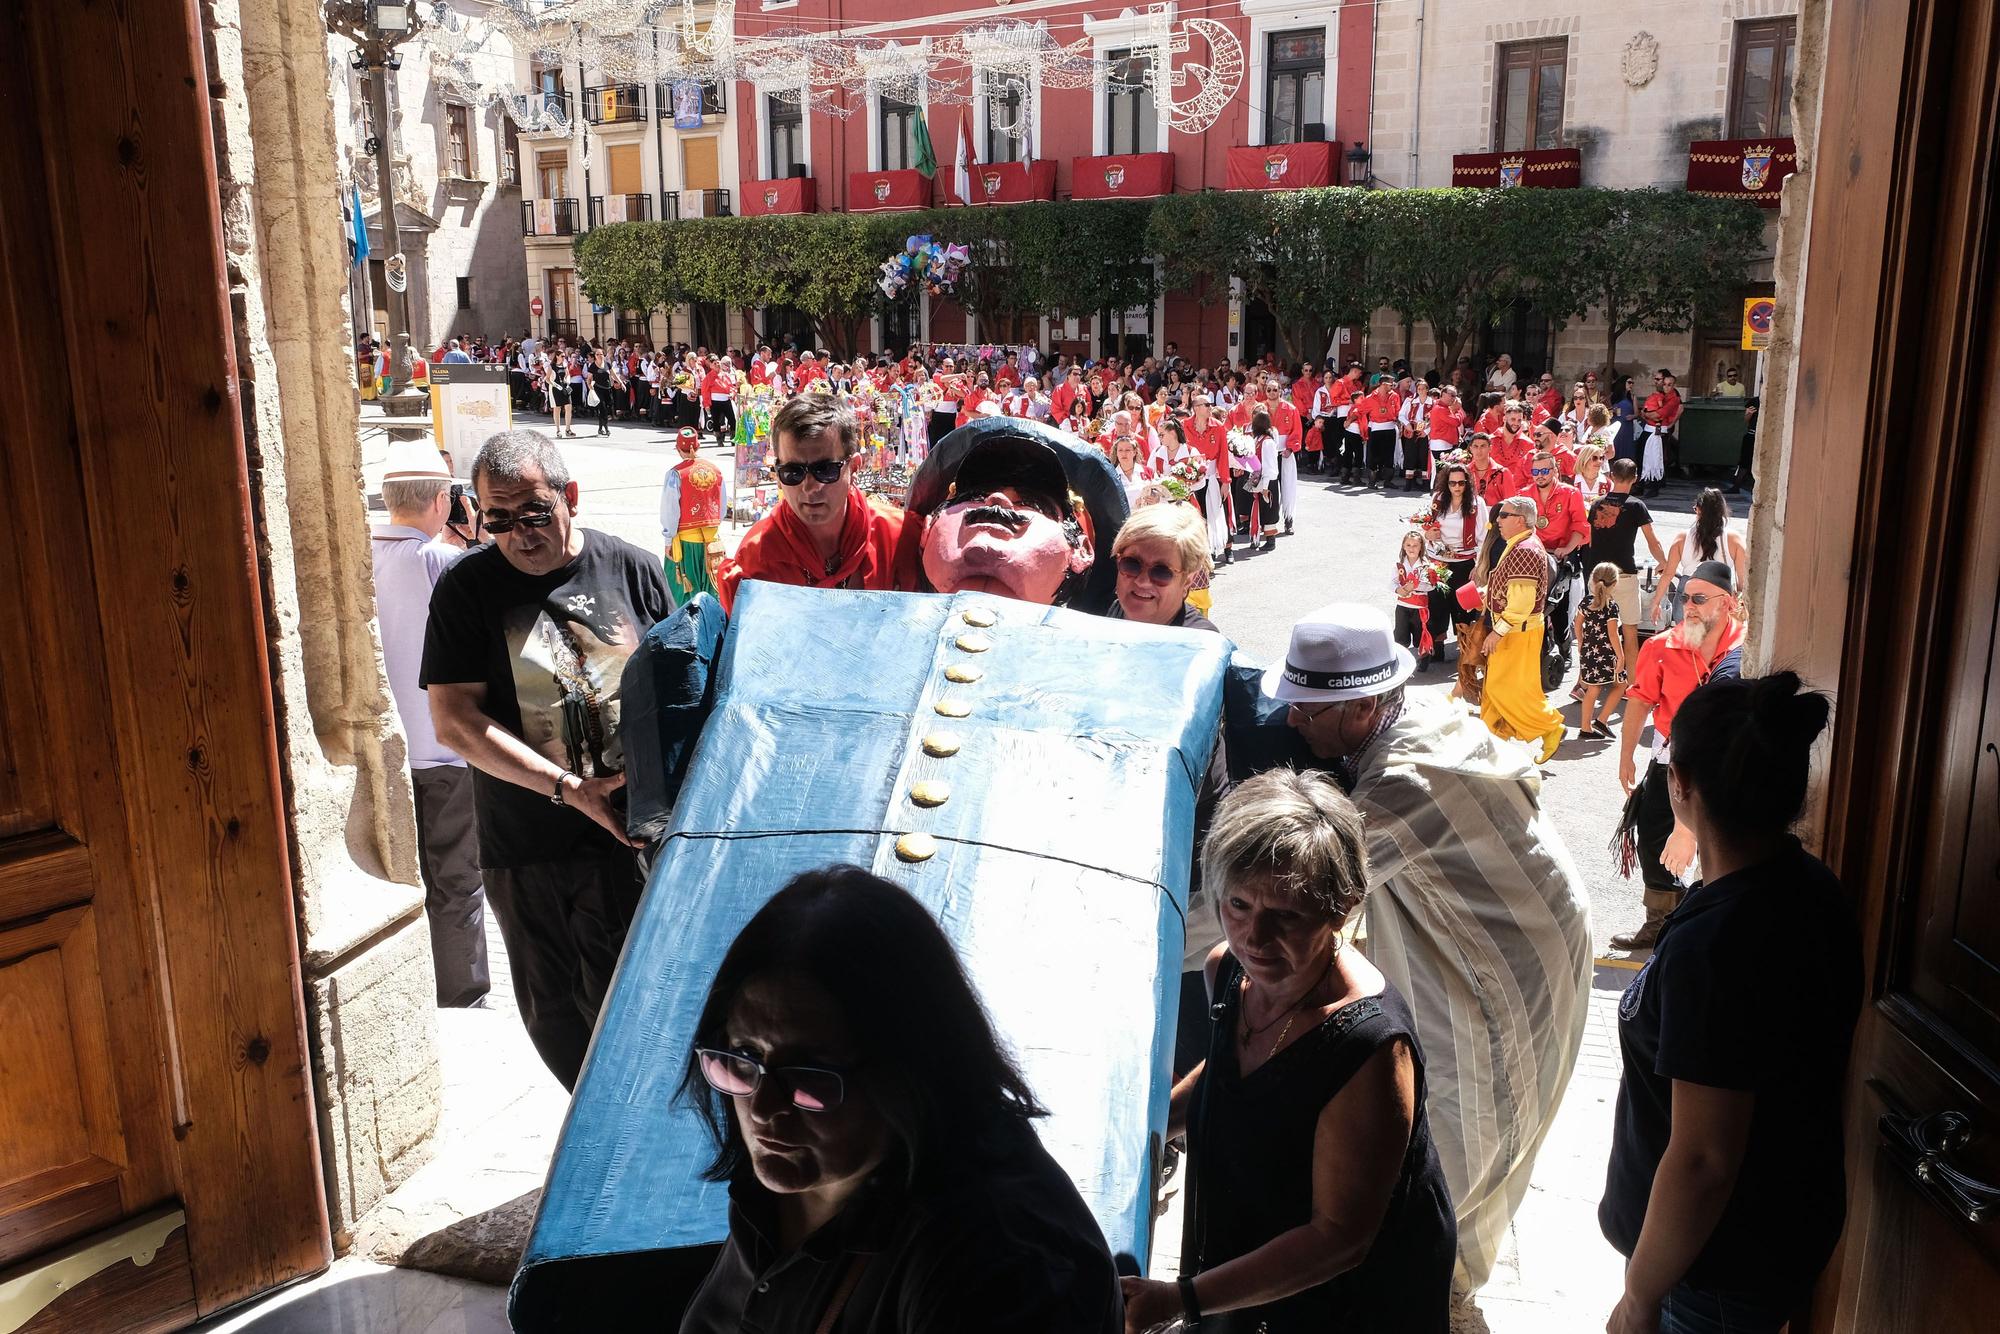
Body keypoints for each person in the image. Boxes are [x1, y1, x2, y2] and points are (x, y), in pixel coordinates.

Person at [1264, 604, 1591, 1292]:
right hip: (1491, 934)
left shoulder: (1402, 781)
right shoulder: (1412, 730)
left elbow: (1293, 898)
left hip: (1516, 956)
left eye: (1308, 710)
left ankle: (1430, 1285)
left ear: (1364, 708)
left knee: (1471, 1118)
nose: (1292, 720)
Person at [677, 867, 1123, 1334]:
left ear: (910, 1072)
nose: (764, 1109)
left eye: (810, 1076)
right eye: (743, 1058)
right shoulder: (803, 1168)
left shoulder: (1001, 1273)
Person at [1122, 770, 1455, 1334]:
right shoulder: (1228, 971)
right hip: (1249, 1268)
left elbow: (1338, 1239)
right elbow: (1235, 1073)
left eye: (1288, 915)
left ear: (1343, 907)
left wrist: (1179, 1300)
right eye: (1237, 904)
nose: (1254, 936)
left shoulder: (1370, 1050)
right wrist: (1141, 1138)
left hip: (1343, 1306)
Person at [1601, 673, 1859, 1334]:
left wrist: (1638, 1298)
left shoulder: (1717, 946)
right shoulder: (1807, 885)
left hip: (1710, 1271)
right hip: (1769, 1239)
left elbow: (1704, 1161)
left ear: (1680, 783)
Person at [421, 430, 674, 1089]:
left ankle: (626, 1137)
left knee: (632, 1008)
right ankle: (596, 1146)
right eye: (495, 518)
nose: (516, 533)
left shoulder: (634, 568)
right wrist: (568, 787)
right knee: (557, 1017)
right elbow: (455, 721)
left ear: (571, 498)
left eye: (533, 512)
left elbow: (678, 689)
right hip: (528, 845)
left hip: (627, 837)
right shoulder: (465, 590)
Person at [371, 441, 488, 1008]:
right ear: (443, 501)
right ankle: (461, 990)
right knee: (457, 878)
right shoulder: (445, 563)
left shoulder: (362, 555)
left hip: (385, 750)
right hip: (443, 751)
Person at [1613, 560, 1747, 951]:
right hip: (1670, 762)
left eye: (1699, 598)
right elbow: (1638, 703)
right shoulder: (1661, 646)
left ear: (1728, 604)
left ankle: (1710, 929)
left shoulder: (1745, 649)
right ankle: (1659, 922)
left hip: (1724, 766)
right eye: (1684, 596)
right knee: (1652, 835)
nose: (1687, 605)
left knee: (1721, 846)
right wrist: (1625, 757)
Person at [715, 396, 921, 613]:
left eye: (825, 470)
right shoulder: (756, 557)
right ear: (777, 475)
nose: (809, 487)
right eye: (792, 472)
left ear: (854, 468)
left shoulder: (902, 537)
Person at [1476, 496, 1566, 764]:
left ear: (1520, 520)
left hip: (1516, 632)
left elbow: (1522, 604)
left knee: (1507, 690)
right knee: (1494, 689)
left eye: (1503, 515)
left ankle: (1550, 727)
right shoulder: (1520, 544)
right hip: (1517, 630)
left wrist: (1497, 632)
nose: (1497, 520)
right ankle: (1492, 744)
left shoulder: (1524, 550)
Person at [1587, 459, 1670, 693]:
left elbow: (1592, 541)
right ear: (1635, 478)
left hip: (1597, 575)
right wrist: (1664, 563)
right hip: (1623, 575)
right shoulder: (1636, 506)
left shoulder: (1596, 504)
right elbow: (1652, 540)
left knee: (1597, 631)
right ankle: (1629, 685)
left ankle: (1587, 683)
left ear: (1611, 476)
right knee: (1629, 632)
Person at [1650, 488, 1749, 628]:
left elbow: (1668, 574)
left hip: (1687, 595)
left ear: (1698, 510)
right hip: (1719, 594)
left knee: (1686, 643)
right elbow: (1742, 580)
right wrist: (1739, 603)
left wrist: (1656, 602)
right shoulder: (1734, 539)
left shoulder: (1681, 538)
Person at [1109, 502, 1215, 631]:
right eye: (1131, 564)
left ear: (1187, 579)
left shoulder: (1200, 642)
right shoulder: (1109, 613)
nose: (1142, 582)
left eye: (1161, 572)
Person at [1424, 458, 1488, 669]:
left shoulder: (1477, 505)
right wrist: (1428, 534)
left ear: (1467, 483)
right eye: (1452, 483)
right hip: (1440, 561)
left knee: (1464, 606)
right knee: (1436, 605)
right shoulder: (1437, 499)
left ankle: (1466, 647)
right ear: (1446, 483)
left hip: (1464, 561)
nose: (1457, 487)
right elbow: (1423, 528)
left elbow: (1483, 539)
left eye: (1461, 483)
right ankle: (1438, 646)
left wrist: (1479, 567)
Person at [658, 427, 727, 608]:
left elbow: (670, 511)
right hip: (713, 544)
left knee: (683, 598)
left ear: (679, 449)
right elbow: (721, 509)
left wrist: (668, 539)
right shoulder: (716, 471)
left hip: (686, 546)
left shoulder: (676, 474)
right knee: (712, 595)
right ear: (697, 446)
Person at [1573, 562, 1626, 739]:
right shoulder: (1611, 606)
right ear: (1615, 583)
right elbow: (1612, 634)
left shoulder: (1586, 601)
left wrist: (1581, 642)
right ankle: (1602, 719)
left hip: (1588, 651)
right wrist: (1620, 656)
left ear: (1592, 580)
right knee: (1621, 684)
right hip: (1607, 654)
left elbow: (1577, 623)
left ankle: (1585, 727)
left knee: (1593, 689)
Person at [1393, 530, 1437, 666]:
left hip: (1419, 608)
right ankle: (1400, 663)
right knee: (1400, 636)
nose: (1411, 548)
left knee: (1421, 636)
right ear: (1403, 547)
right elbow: (1391, 581)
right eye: (1408, 545)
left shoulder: (1426, 566)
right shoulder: (1399, 564)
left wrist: (1417, 586)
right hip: (1403, 606)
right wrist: (1397, 589)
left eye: (1415, 545)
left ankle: (1424, 659)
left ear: (1421, 547)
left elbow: (1432, 586)